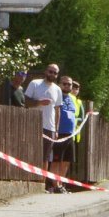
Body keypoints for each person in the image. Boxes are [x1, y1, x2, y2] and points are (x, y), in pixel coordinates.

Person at [24, 63, 62, 191]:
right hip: (34, 124)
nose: (52, 74)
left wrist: (56, 129)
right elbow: (26, 101)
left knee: (45, 156)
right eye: (50, 71)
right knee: (31, 152)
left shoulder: (57, 89)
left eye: (55, 73)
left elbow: (57, 111)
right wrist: (39, 103)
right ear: (46, 71)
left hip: (49, 127)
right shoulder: (35, 84)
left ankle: (41, 184)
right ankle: (29, 181)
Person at [50, 76, 78, 193]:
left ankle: (61, 184)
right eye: (64, 84)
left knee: (67, 160)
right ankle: (54, 185)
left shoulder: (72, 99)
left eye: (69, 84)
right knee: (57, 160)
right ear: (59, 84)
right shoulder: (56, 96)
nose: (67, 86)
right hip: (59, 134)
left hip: (69, 134)